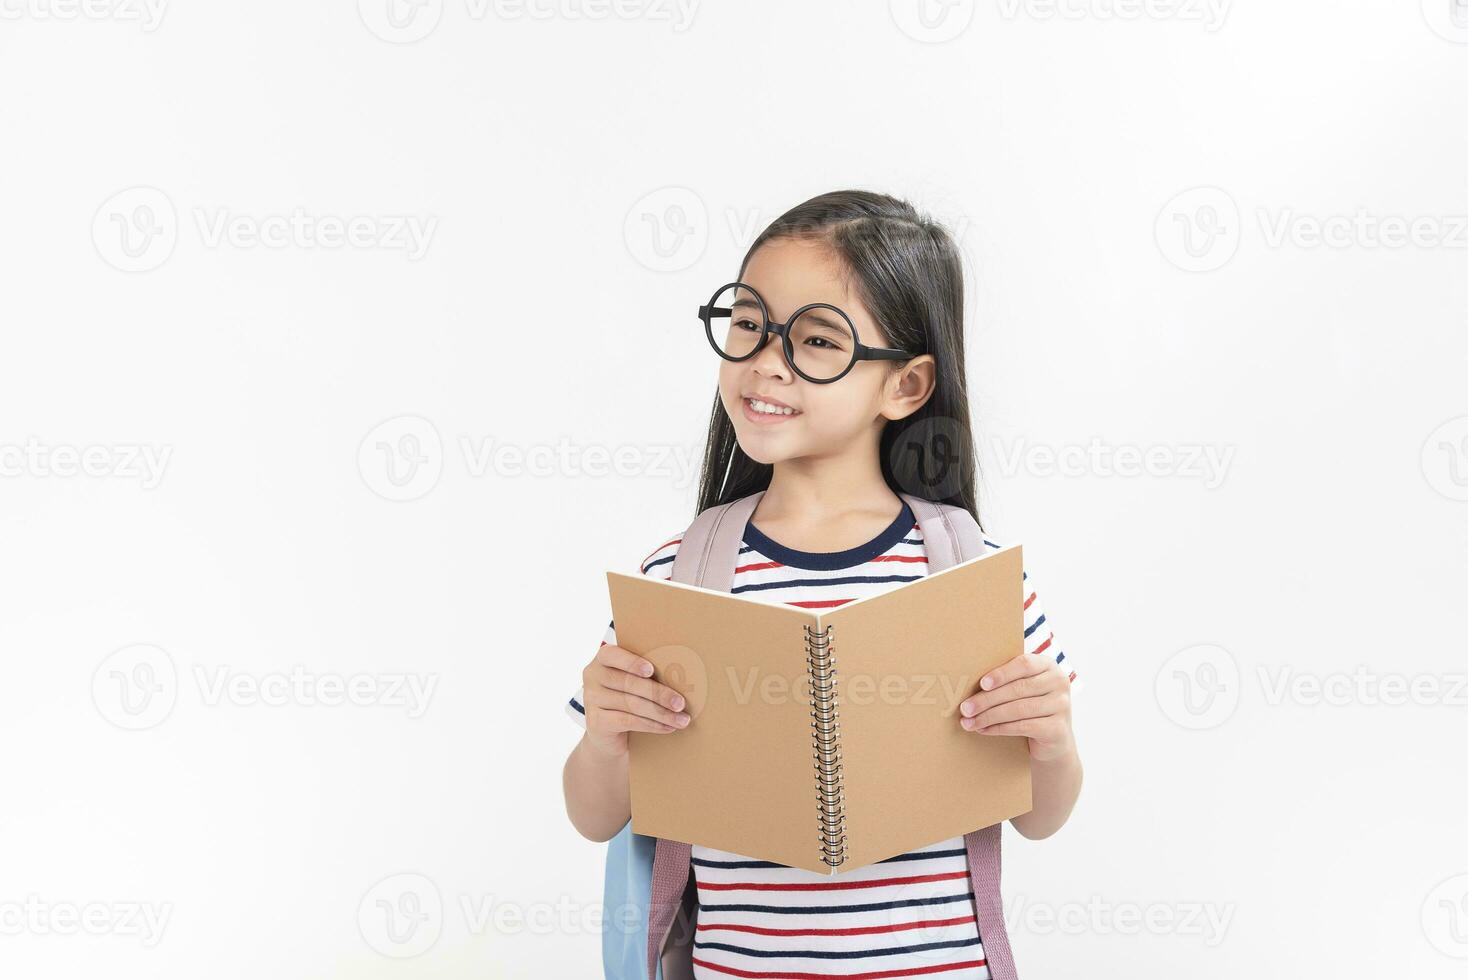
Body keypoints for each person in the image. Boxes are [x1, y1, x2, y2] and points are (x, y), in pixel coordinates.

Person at [562, 189, 1082, 979]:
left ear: (905, 387)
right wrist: (605, 735)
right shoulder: (681, 575)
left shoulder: (971, 574)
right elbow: (596, 814)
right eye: (748, 323)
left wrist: (1052, 742)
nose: (766, 360)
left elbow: (1041, 817)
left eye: (815, 340)